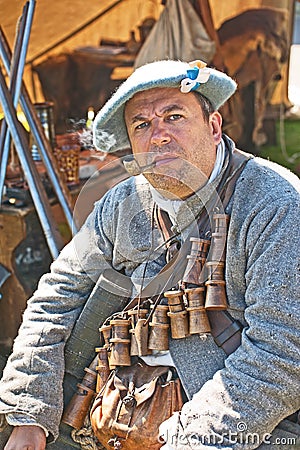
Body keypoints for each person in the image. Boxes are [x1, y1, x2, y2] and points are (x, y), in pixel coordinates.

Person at [0, 59, 299, 450]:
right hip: (114, 404)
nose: (158, 136)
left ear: (213, 127)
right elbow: (57, 295)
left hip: (239, 422)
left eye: (174, 116)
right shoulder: (122, 203)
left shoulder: (276, 205)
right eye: (142, 125)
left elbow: (281, 356)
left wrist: (189, 440)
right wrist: (30, 411)